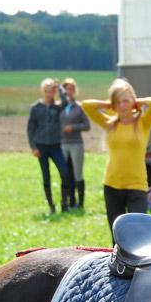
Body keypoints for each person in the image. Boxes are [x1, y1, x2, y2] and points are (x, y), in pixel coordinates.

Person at [81, 79, 151, 239]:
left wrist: (135, 102)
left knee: (138, 234)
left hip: (137, 186)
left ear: (133, 101)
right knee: (117, 235)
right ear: (113, 104)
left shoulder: (143, 123)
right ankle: (116, 264)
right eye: (118, 102)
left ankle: (138, 264)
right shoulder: (109, 123)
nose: (122, 105)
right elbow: (86, 105)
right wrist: (108, 105)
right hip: (112, 185)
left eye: (126, 101)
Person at [27, 78, 74, 213]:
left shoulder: (57, 107)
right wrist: (33, 147)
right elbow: (30, 128)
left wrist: (60, 88)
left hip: (55, 145)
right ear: (43, 91)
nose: (49, 94)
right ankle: (51, 205)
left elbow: (66, 102)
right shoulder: (35, 108)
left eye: (51, 91)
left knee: (64, 173)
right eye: (46, 91)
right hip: (41, 145)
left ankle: (64, 203)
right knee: (46, 176)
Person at [59, 77, 91, 209]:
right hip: (62, 143)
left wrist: (73, 127)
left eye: (71, 89)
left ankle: (80, 202)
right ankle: (66, 201)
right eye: (67, 89)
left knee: (78, 173)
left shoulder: (79, 107)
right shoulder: (59, 107)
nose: (69, 91)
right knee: (65, 173)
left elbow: (87, 125)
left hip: (76, 143)